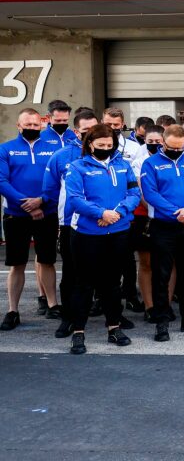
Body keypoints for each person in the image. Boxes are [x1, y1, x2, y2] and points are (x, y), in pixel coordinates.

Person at [64, 124, 141, 354]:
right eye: (101, 145)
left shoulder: (123, 165)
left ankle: (114, 328)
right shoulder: (77, 167)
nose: (106, 149)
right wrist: (101, 213)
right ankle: (78, 333)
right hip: (88, 234)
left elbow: (134, 193)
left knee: (112, 284)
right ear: (90, 144)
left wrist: (116, 213)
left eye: (109, 145)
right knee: (84, 285)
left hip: (118, 231)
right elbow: (75, 199)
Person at [140, 125, 184, 341]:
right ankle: (161, 323)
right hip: (164, 227)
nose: (177, 151)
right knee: (161, 276)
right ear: (163, 142)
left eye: (181, 147)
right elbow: (150, 193)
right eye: (172, 147)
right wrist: (175, 212)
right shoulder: (150, 164)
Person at [0, 108, 61, 330]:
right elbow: (2, 181)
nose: (32, 128)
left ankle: (53, 305)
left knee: (47, 260)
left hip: (46, 212)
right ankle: (12, 310)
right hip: (16, 214)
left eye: (36, 125)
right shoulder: (6, 149)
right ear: (18, 125)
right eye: (28, 124)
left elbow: (59, 180)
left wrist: (42, 201)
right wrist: (27, 204)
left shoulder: (54, 149)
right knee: (17, 264)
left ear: (42, 125)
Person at [42, 109, 98, 338]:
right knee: (71, 275)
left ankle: (113, 319)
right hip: (71, 225)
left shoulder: (111, 155)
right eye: (86, 131)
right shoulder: (61, 156)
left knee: (105, 274)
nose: (91, 135)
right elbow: (50, 190)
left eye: (95, 130)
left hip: (104, 224)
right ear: (76, 131)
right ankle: (68, 319)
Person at [131, 125, 165, 320]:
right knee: (146, 263)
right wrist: (154, 207)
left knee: (168, 262)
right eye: (149, 141)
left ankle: (165, 303)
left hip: (167, 216)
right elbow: (141, 192)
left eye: (158, 142)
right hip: (144, 216)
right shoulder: (138, 161)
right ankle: (149, 306)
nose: (153, 145)